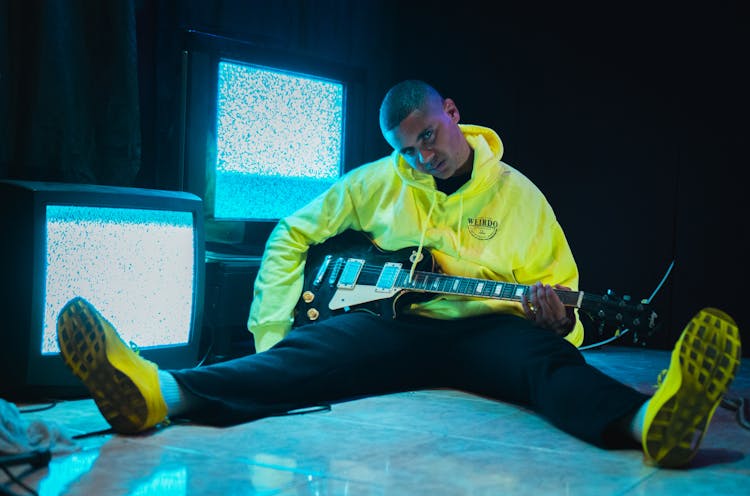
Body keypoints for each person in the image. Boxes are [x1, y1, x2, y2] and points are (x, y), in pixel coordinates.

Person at [57, 79, 741, 468]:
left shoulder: (522, 198)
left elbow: (564, 295)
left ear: (452, 113)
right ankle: (158, 392)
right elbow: (294, 231)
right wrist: (271, 331)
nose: (422, 158)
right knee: (304, 356)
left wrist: (562, 319)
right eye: (407, 151)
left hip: (488, 335)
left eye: (428, 139)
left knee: (546, 368)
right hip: (396, 325)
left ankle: (653, 421)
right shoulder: (379, 181)